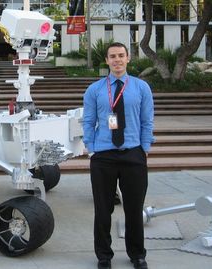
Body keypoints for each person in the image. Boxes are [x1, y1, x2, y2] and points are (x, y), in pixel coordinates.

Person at [82, 42, 154, 269]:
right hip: (103, 156)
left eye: (121, 55)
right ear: (107, 60)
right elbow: (88, 121)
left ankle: (137, 255)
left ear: (128, 58)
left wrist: (144, 148)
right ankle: (104, 256)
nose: (117, 60)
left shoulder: (141, 87)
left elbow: (147, 120)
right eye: (112, 56)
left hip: (133, 154)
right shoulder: (95, 89)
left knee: (134, 208)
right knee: (103, 210)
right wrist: (91, 147)